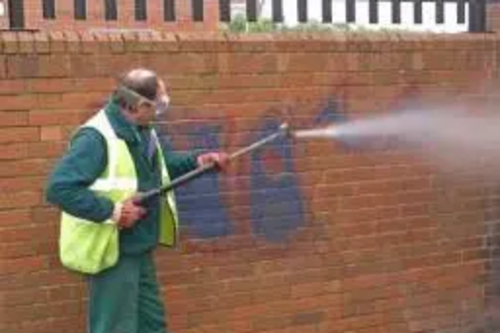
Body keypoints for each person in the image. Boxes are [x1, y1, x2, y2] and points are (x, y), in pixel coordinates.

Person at [45, 68, 229, 333]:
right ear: (140, 105)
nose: (161, 110)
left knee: (151, 325)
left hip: (139, 247)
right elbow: (58, 188)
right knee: (115, 327)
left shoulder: (142, 130)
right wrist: (114, 211)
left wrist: (198, 161)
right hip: (112, 252)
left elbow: (160, 166)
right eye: (160, 104)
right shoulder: (96, 138)